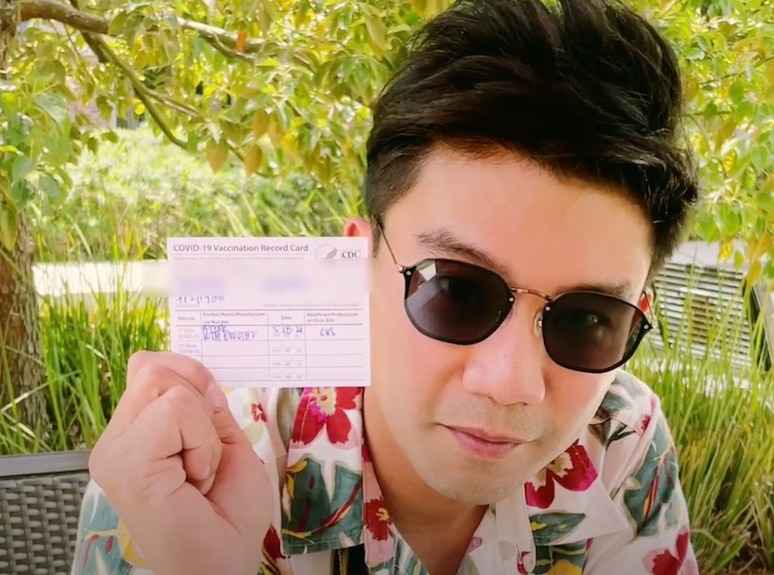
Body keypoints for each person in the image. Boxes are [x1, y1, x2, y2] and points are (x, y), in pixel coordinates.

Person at [71, 0, 701, 573]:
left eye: (587, 319)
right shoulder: (183, 475)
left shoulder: (622, 439)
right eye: (456, 290)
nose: (511, 382)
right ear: (357, 265)